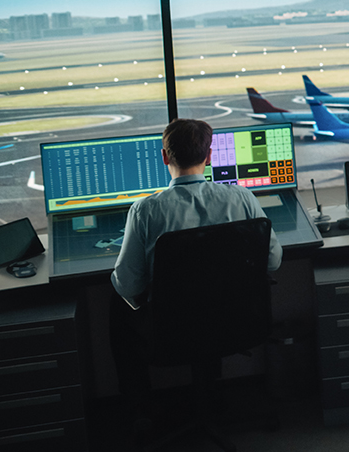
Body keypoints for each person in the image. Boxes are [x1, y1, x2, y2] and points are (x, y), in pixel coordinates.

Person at [110, 118, 282, 431]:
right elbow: (273, 261)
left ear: (164, 157)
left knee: (117, 309)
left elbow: (128, 283)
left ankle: (140, 412)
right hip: (236, 321)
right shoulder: (242, 198)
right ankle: (212, 391)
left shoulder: (146, 210)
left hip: (173, 329)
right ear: (210, 156)